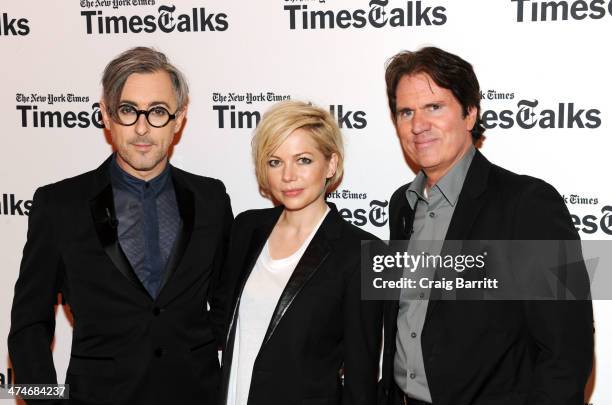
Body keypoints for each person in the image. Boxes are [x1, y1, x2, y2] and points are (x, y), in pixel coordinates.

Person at [8, 47, 233, 405]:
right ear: (107, 115)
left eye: (158, 111)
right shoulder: (59, 205)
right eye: (128, 111)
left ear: (180, 118)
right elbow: (27, 327)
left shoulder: (211, 199)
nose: (142, 128)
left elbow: (228, 303)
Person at [378, 47, 593, 405]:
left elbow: (567, 353)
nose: (418, 125)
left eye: (434, 107)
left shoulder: (528, 204)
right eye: (406, 112)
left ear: (469, 113)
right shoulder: (402, 204)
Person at [218, 101, 382, 405]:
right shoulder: (246, 229)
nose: (288, 176)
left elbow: (361, 378)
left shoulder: (362, 254)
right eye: (275, 162)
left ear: (331, 165)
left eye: (303, 160)